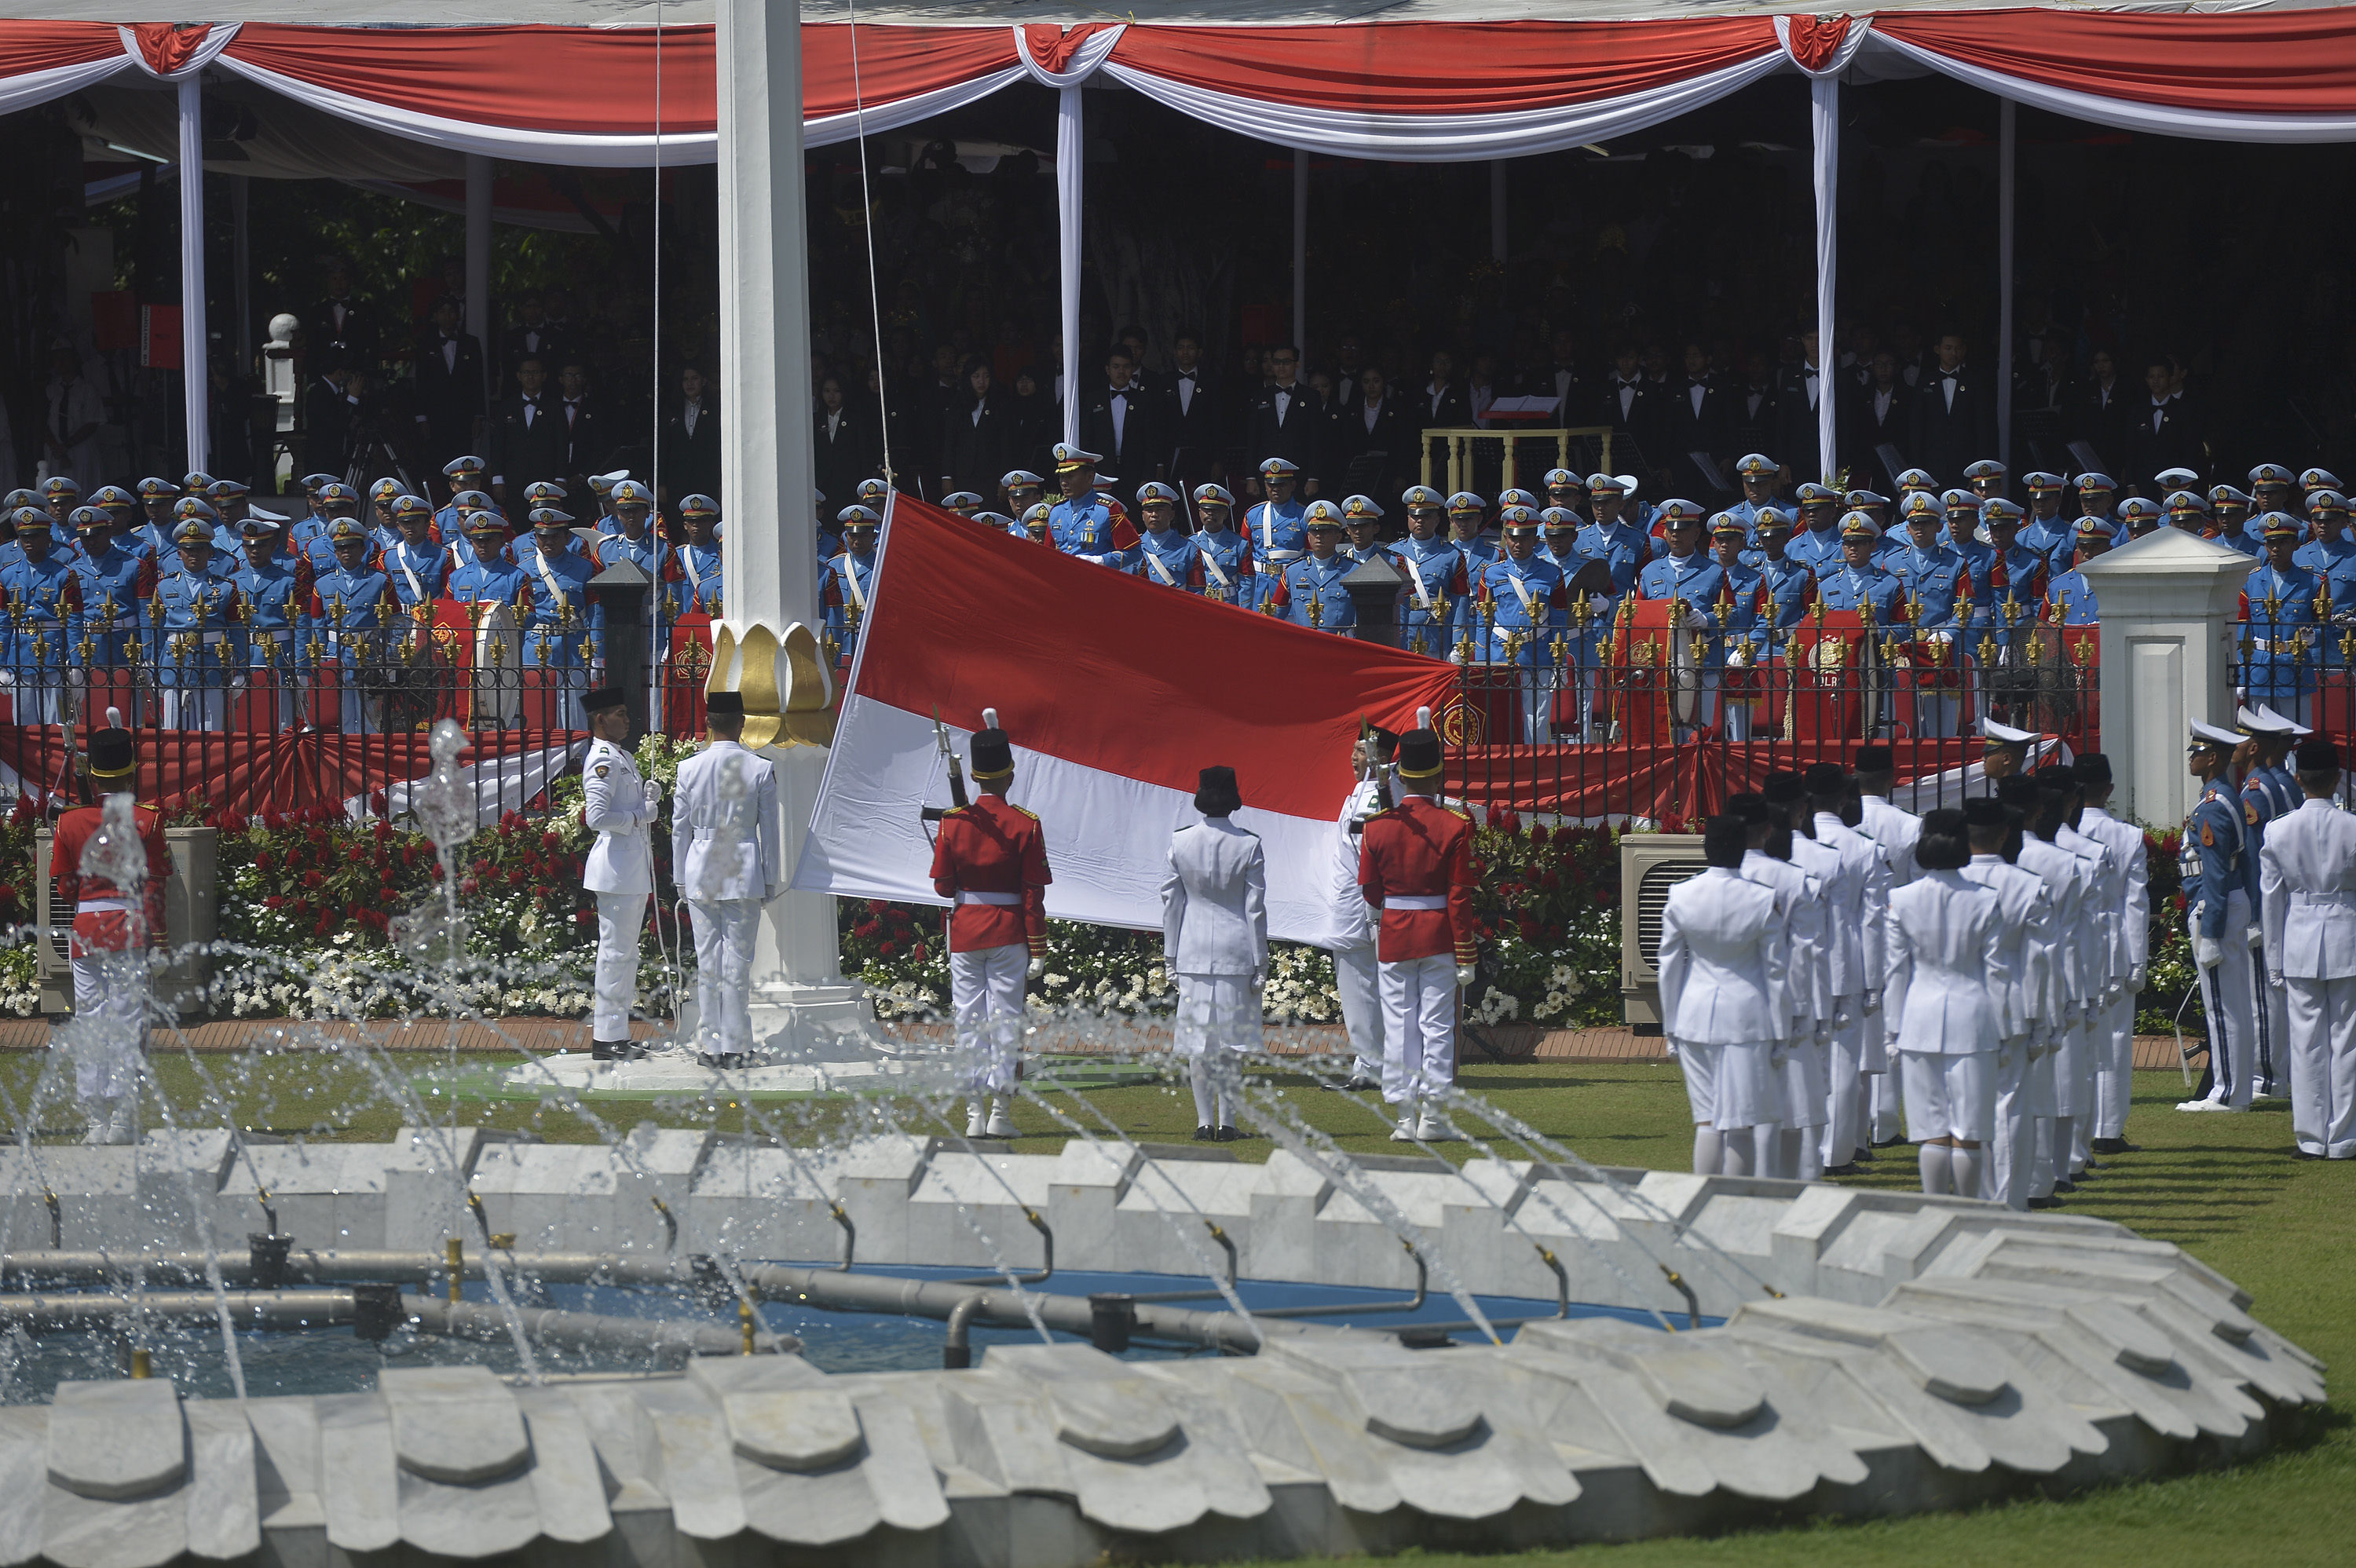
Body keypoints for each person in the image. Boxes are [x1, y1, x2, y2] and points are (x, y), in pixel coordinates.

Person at [49, 710, 172, 1144]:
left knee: (90, 1022)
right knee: (128, 1022)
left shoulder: (69, 821)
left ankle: (95, 1122)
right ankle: (120, 1119)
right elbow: (155, 887)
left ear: (94, 774)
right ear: (132, 771)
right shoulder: (149, 818)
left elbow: (65, 888)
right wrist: (159, 943)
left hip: (85, 931)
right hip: (130, 927)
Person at [927, 710, 1050, 1135]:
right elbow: (1033, 893)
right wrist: (1038, 948)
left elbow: (943, 887)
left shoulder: (952, 822)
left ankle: (974, 1114)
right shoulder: (1025, 824)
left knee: (968, 1021)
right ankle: (999, 1114)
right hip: (1009, 932)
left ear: (976, 776)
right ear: (1009, 775)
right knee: (1005, 1020)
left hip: (965, 932)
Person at [1356, 718, 1476, 1141]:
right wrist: (1467, 955)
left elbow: (1370, 892)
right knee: (1437, 1027)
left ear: (1401, 774)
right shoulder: (1457, 825)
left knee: (1399, 1025)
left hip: (1395, 933)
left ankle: (1405, 1118)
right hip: (1440, 935)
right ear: (1439, 773)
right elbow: (1459, 897)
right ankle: (1434, 1117)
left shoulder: (1377, 826)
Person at [1657, 814, 1793, 1177]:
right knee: (1740, 1122)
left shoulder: (1681, 894)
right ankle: (1734, 1203)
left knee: (1707, 1120)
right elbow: (1777, 971)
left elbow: (1669, 966)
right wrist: (1782, 1032)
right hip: (1746, 1019)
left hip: (1694, 1016)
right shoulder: (1762, 899)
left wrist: (1670, 1028)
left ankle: (1703, 1199)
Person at [1885, 808, 2010, 1196]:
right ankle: (1967, 1209)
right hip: (1973, 1016)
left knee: (1931, 1128)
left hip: (1918, 1017)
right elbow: (1997, 973)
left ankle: (1936, 1206)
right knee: (1970, 1127)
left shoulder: (1901, 898)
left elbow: (1894, 971)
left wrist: (1892, 1029)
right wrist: (2005, 1028)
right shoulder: (1985, 899)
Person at [2258, 738, 2356, 1160]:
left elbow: (2271, 901)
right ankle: (2345, 1137)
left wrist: (2274, 962)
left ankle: (2312, 1138)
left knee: (2306, 1042)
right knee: (2346, 1041)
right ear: (2337, 778)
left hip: (2300, 938)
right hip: (2347, 935)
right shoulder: (2352, 826)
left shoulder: (2278, 829)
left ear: (2298, 780)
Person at [675, 690, 781, 1069]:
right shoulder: (760, 767)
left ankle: (712, 1045)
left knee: (708, 960)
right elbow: (770, 831)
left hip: (701, 863)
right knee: (737, 961)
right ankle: (736, 1046)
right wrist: (770, 878)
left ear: (707, 723)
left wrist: (679, 878)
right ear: (743, 723)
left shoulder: (688, 768)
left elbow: (679, 830)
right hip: (742, 864)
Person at [1957, 795, 2054, 1209]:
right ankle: (2009, 1200)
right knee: (2010, 1105)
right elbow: (2038, 959)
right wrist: (2039, 1019)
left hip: (1959, 1007)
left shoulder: (1950, 881)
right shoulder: (2027, 884)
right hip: (2010, 1006)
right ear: (2004, 835)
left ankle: (1972, 1199)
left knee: (1963, 1109)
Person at [1162, 765, 1268, 1141]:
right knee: (1231, 1043)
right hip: (1235, 948)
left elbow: (1171, 905)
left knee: (1198, 1042)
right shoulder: (1248, 844)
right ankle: (1228, 1122)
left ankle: (1205, 1121)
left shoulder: (1181, 841)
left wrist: (1170, 955)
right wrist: (1261, 962)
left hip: (1192, 947)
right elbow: (1254, 910)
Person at [2180, 718, 2260, 1117]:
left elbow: (2214, 870)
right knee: (2232, 1003)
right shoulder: (2222, 796)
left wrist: (2209, 930)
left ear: (2212, 758)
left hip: (2216, 906)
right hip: (2228, 903)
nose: (2191, 758)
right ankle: (2235, 1090)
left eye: (2197, 752)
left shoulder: (2214, 804)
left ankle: (2228, 1094)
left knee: (2223, 1005)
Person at [2072, 754, 2149, 1157]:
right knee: (2116, 1037)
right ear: (2109, 790)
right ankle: (2107, 1128)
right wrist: (2138, 960)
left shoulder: (2061, 833)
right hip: (2114, 942)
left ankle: (2076, 1126)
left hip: (2074, 942)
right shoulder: (2127, 836)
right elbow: (2135, 903)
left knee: (2073, 1036)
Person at [582, 684, 661, 1064]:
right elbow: (595, 818)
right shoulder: (603, 759)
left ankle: (617, 1033)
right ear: (601, 720)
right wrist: (639, 815)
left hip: (629, 868)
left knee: (625, 955)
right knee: (615, 954)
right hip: (615, 869)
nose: (627, 720)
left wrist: (646, 803)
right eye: (620, 715)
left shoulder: (622, 755)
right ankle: (606, 1037)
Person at [1325, 726, 1395, 1093]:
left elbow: (1368, 851)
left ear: (1381, 757)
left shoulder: (1377, 794)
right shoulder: (1363, 792)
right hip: (1354, 903)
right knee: (1362, 987)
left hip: (1362, 905)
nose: (1354, 757)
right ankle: (1370, 1061)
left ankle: (1372, 1065)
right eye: (1353, 749)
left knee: (1361, 987)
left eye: (1361, 751)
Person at [0, 507, 82, 726]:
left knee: (55, 721)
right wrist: (1, 664)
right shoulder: (7, 574)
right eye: (24, 536)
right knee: (23, 725)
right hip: (21, 654)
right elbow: (3, 622)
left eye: (35, 536)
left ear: (48, 538)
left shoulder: (64, 574)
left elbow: (74, 622)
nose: (29, 542)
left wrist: (77, 665)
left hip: (53, 654)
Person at [1267, 501, 1355, 631]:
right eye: (1314, 531)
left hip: (1339, 646)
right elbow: (1274, 616)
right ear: (1308, 537)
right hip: (1304, 646)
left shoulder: (1354, 571)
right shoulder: (1292, 572)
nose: (1319, 536)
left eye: (1326, 531)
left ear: (1338, 537)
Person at [1188, 484, 1253, 608]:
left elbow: (1247, 583)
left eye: (1216, 510)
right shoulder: (1190, 544)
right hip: (1200, 605)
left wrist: (1244, 613)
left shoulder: (1240, 544)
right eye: (1206, 509)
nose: (1210, 514)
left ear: (1226, 513)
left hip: (1229, 605)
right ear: (1200, 512)